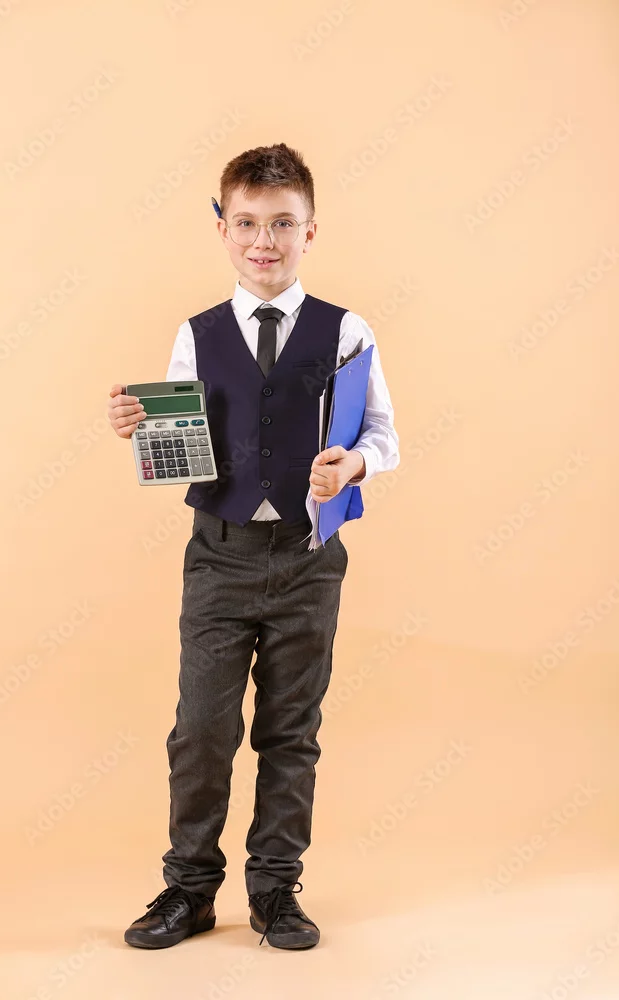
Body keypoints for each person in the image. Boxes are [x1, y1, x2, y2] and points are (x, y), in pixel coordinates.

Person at [107, 142, 399, 951]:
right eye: (246, 223)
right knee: (200, 728)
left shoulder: (346, 330)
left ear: (310, 230)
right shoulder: (196, 334)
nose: (263, 241)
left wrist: (353, 464)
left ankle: (274, 889)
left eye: (281, 224)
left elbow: (382, 435)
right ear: (222, 228)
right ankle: (189, 888)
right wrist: (138, 426)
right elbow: (181, 445)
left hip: (308, 557)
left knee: (290, 729)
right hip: (219, 552)